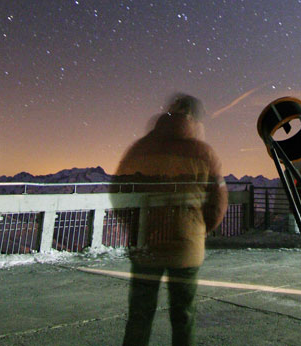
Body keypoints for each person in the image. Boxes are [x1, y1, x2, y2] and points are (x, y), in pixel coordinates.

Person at [112, 93, 228, 345]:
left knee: (139, 316)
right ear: (195, 118)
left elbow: (119, 192)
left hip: (146, 245)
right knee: (184, 316)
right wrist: (197, 229)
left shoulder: (140, 148)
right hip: (186, 246)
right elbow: (218, 203)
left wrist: (135, 226)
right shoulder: (204, 153)